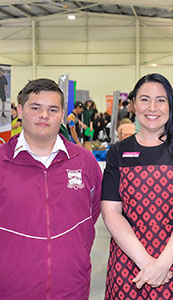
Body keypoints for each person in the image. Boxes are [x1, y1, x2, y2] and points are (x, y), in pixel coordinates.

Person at [101, 73, 173, 300]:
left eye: (161, 100)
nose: (152, 107)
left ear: (170, 105)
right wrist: (146, 263)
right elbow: (110, 212)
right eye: (145, 99)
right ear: (134, 104)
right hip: (130, 260)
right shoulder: (118, 152)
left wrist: (163, 264)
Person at [0, 78, 102, 299]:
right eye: (35, 108)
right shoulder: (2, 161)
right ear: (20, 110)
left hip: (71, 287)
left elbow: (92, 211)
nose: (44, 115)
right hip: (12, 288)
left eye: (52, 109)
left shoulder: (83, 161)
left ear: (62, 114)